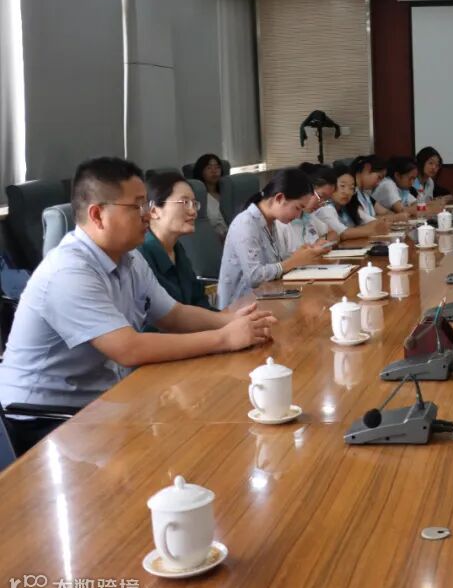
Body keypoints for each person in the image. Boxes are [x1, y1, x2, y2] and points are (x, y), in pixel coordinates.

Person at [0, 158, 276, 452]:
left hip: (97, 400)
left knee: (198, 424)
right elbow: (129, 349)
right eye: (137, 206)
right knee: (175, 445)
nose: (147, 215)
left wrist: (231, 320)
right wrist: (225, 338)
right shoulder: (69, 271)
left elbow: (174, 315)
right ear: (97, 215)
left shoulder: (130, 258)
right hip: (40, 418)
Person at [217, 168, 332, 308]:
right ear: (279, 198)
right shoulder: (246, 223)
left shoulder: (270, 222)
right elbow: (254, 277)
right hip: (240, 307)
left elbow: (275, 263)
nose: (298, 215)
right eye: (298, 208)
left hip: (267, 298)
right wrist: (293, 261)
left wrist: (300, 254)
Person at [137, 172, 214, 310]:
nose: (193, 212)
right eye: (184, 203)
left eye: (194, 204)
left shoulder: (177, 249)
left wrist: (227, 318)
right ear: (154, 211)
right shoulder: (141, 255)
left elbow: (199, 300)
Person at [315, 166, 392, 240]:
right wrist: (372, 231)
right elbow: (343, 234)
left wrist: (379, 225)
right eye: (342, 186)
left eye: (351, 188)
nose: (347, 192)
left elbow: (375, 222)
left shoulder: (349, 207)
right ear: (331, 187)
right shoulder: (325, 208)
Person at [193, 153, 228, 239]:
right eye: (209, 168)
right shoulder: (198, 197)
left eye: (217, 167)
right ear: (201, 171)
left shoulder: (228, 192)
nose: (214, 171)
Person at [352, 155, 389, 220]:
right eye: (379, 177)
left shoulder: (364, 194)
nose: (378, 184)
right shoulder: (350, 193)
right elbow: (363, 219)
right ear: (367, 168)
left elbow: (385, 212)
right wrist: (395, 218)